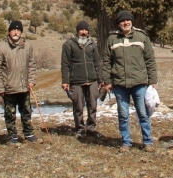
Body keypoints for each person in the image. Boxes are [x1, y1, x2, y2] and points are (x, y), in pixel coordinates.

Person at [101, 10, 158, 152]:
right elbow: (106, 62)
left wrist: (152, 80)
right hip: (119, 84)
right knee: (123, 114)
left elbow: (150, 59)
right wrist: (107, 81)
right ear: (118, 24)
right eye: (122, 21)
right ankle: (126, 142)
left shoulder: (141, 36)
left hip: (139, 83)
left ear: (131, 21)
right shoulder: (112, 39)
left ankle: (147, 141)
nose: (125, 23)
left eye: (128, 20)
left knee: (143, 113)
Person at [0, 20, 38, 145]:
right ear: (9, 31)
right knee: (10, 113)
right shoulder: (1, 47)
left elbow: (32, 64)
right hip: (9, 87)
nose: (15, 32)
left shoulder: (27, 46)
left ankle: (29, 134)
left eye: (18, 30)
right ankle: (12, 136)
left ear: (21, 32)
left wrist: (32, 80)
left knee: (27, 111)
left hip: (24, 87)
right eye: (13, 29)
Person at [61, 20, 103, 138]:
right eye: (81, 30)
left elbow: (97, 63)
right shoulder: (68, 44)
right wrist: (65, 81)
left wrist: (100, 80)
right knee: (78, 106)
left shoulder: (92, 44)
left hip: (92, 80)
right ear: (77, 31)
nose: (83, 32)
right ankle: (79, 128)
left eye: (85, 30)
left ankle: (91, 128)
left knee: (93, 105)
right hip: (76, 81)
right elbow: (65, 64)